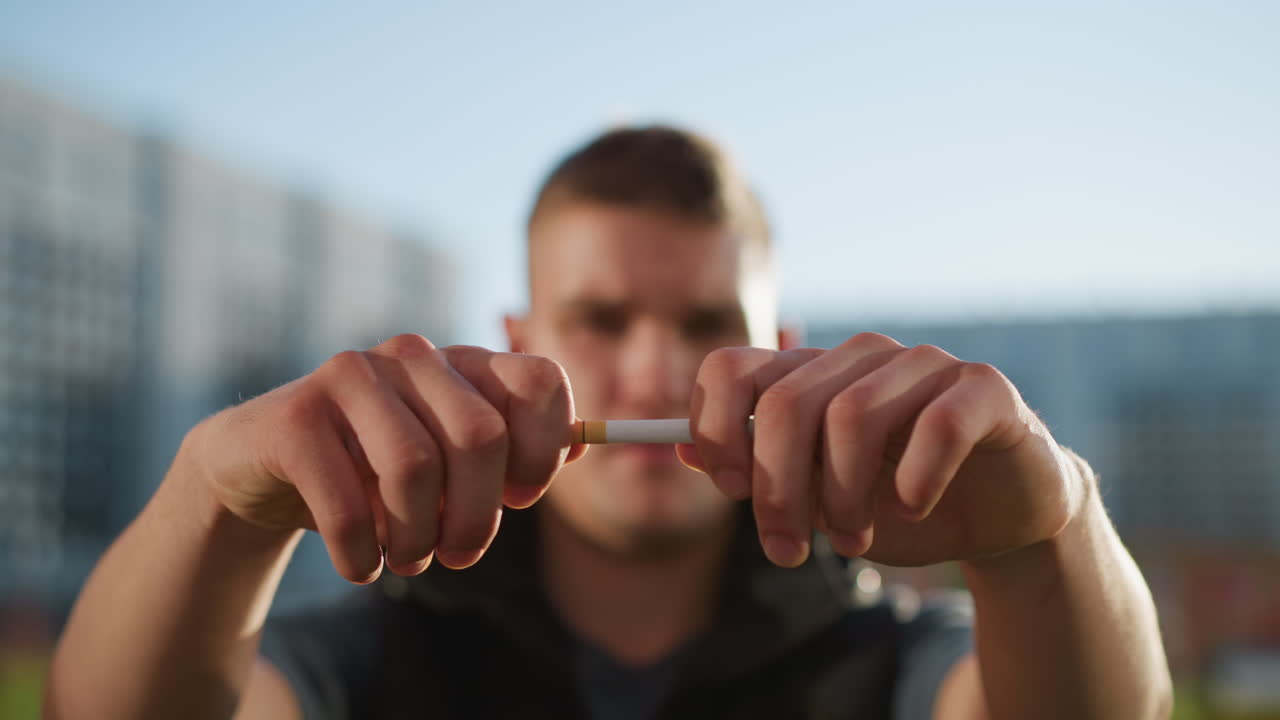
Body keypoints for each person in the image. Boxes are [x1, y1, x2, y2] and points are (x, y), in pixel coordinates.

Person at [45, 126, 1172, 719]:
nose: (652, 369)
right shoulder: (375, 650)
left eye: (705, 321)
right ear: (515, 334)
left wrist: (1045, 537)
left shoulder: (881, 656)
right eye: (596, 318)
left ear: (782, 360)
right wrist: (213, 502)